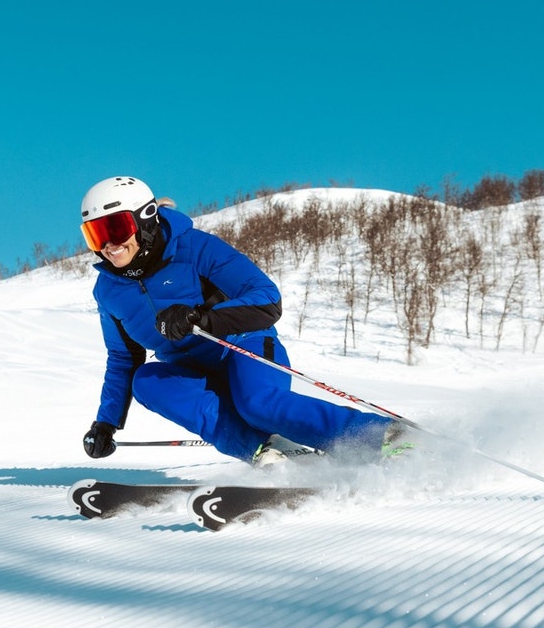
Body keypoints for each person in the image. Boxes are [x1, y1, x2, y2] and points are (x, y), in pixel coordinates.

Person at [78, 176, 404, 466]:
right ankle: (268, 451)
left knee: (258, 404)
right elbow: (124, 358)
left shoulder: (195, 248)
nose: (108, 244)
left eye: (115, 228)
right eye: (95, 235)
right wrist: (105, 423)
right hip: (194, 373)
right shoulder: (108, 290)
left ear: (144, 219)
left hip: (242, 346)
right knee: (148, 381)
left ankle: (383, 438)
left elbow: (266, 298)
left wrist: (200, 318)